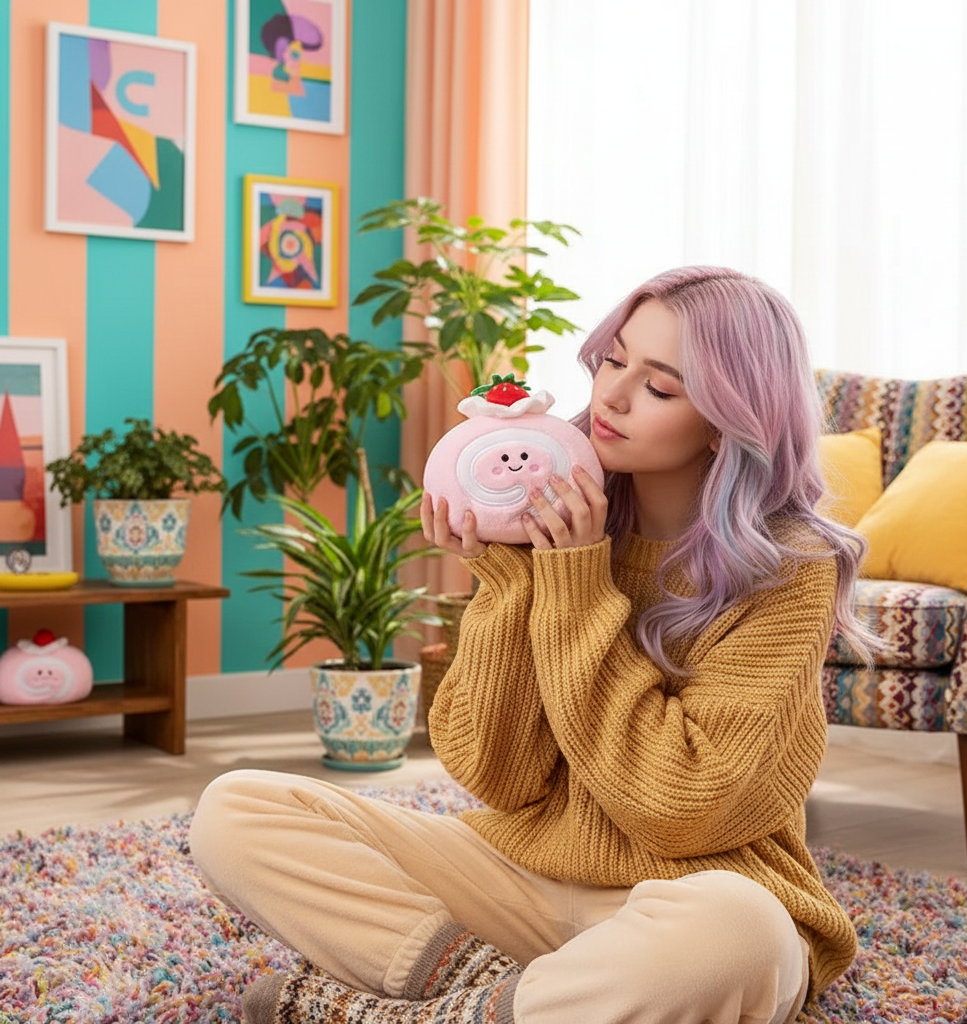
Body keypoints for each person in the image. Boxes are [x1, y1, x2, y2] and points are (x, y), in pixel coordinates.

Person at [191, 266, 874, 1024]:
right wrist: (511, 577)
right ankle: (489, 992)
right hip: (520, 873)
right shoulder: (551, 519)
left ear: (724, 420)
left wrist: (577, 586)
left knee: (736, 939)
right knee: (236, 809)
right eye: (614, 360)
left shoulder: (787, 568)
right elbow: (497, 775)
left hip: (692, 890)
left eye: (660, 386)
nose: (610, 396)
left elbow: (686, 811)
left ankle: (420, 1012)